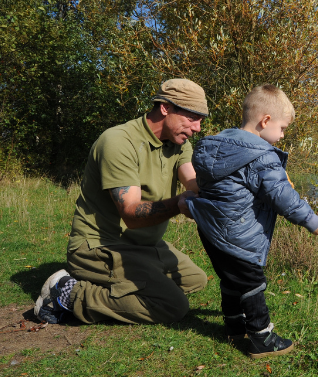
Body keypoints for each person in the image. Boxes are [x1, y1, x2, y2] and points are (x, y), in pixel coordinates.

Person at [34, 79, 210, 325]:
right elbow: (130, 213)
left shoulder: (179, 143)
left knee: (195, 279)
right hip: (100, 245)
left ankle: (121, 281)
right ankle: (67, 293)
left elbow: (191, 180)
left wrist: (223, 189)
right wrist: (179, 204)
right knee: (172, 305)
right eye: (192, 118)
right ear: (165, 108)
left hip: (142, 246)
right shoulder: (119, 142)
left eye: (201, 120)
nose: (197, 127)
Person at [187, 84, 318, 358]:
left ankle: (233, 326)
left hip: (210, 229)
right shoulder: (262, 156)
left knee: (231, 279)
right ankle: (261, 337)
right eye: (282, 128)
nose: (282, 134)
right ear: (265, 121)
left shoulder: (212, 147)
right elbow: (282, 196)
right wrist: (312, 221)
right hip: (240, 233)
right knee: (251, 282)